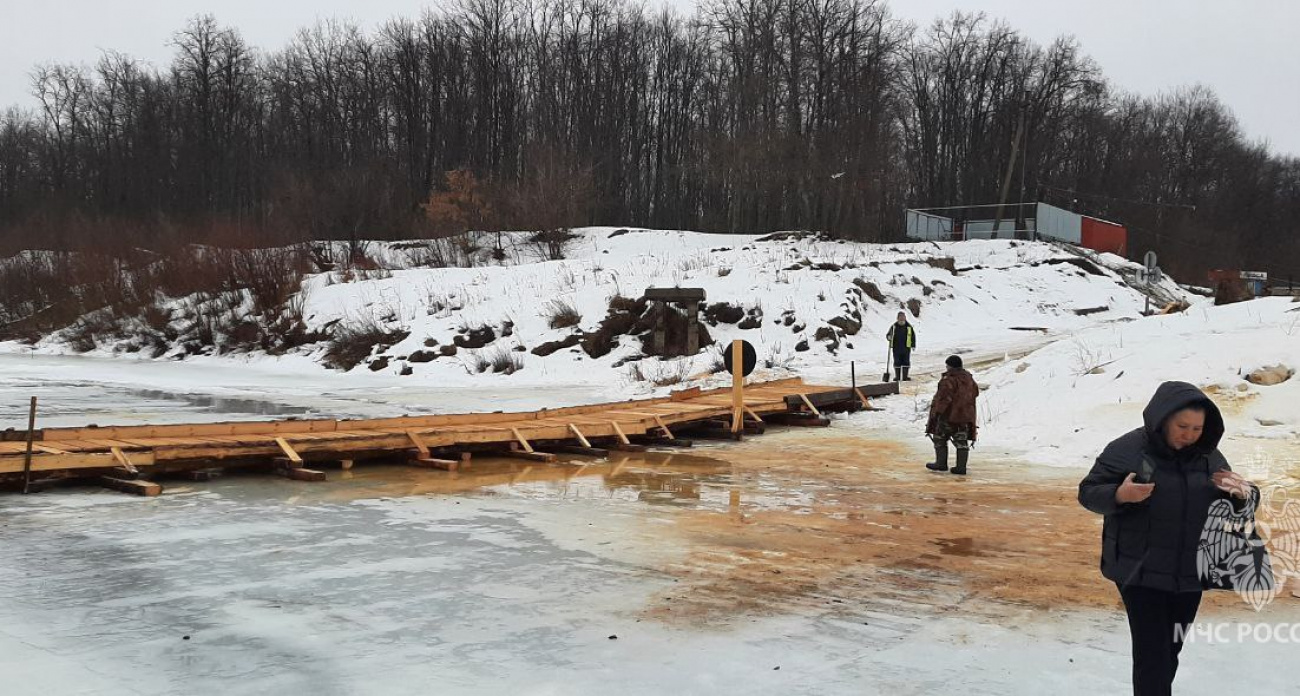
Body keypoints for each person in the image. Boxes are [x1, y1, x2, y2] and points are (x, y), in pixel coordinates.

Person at [1078, 381, 1256, 696]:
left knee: (1169, 650)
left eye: (1197, 428)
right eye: (1182, 426)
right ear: (1163, 419)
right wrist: (1120, 494)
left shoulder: (1209, 456)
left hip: (1189, 572)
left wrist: (1243, 494)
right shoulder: (1128, 449)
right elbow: (1088, 492)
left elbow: (1237, 503)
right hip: (1139, 569)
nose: (1189, 434)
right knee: (1152, 655)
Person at [925, 355, 978, 475]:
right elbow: (975, 392)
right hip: (965, 415)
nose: (946, 367)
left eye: (947, 365)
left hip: (949, 415)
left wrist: (937, 413)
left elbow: (944, 398)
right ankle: (961, 467)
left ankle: (941, 463)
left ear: (950, 366)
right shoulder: (969, 378)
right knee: (961, 441)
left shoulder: (949, 379)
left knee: (940, 437)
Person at [886, 311, 916, 381]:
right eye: (900, 317)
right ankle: (897, 377)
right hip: (896, 349)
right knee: (897, 362)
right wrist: (889, 337)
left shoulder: (909, 326)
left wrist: (913, 345)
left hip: (906, 348)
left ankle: (905, 377)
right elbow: (888, 335)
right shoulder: (894, 327)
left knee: (906, 362)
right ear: (897, 318)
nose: (902, 319)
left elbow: (913, 336)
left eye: (903, 317)